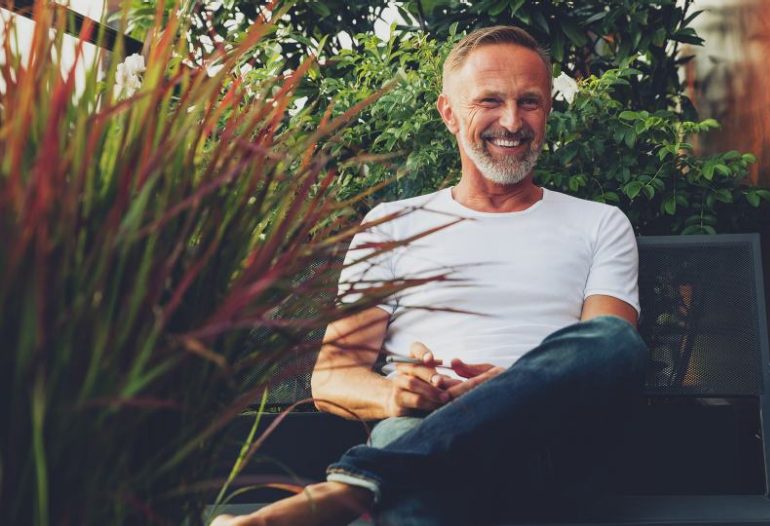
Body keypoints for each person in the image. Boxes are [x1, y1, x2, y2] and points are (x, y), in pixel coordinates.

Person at [212, 25, 648, 526]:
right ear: (448, 113)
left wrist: (511, 388)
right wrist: (394, 393)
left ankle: (351, 491)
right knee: (414, 464)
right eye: (489, 101)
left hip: (546, 442)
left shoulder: (599, 222)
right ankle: (371, 482)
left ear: (548, 110)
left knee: (616, 340)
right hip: (423, 427)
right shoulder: (393, 224)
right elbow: (332, 377)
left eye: (529, 102)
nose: (512, 120)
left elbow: (607, 359)